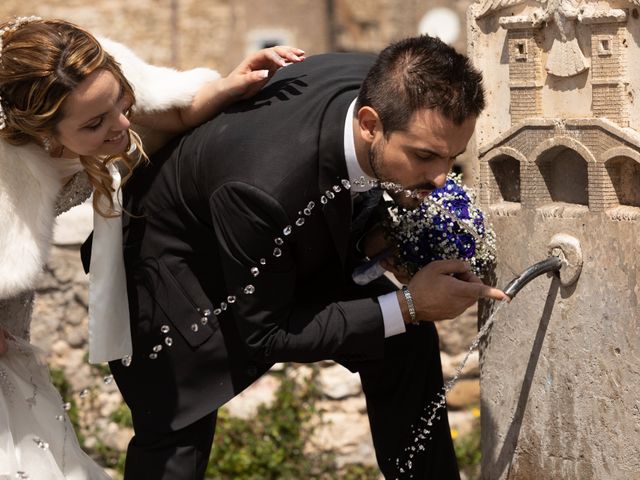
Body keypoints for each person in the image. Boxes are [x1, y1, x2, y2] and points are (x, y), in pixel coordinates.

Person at [91, 34, 509, 479]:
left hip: (282, 234)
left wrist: (379, 235)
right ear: (370, 123)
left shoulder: (387, 87)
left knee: (403, 341)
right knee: (176, 439)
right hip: (177, 280)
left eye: (452, 158)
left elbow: (332, 186)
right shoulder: (262, 185)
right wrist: (409, 303)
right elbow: (266, 334)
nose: (442, 179)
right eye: (425, 156)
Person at [0, 16, 303, 479]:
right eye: (96, 123)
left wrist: (227, 86)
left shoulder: (90, 86)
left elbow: (175, 110)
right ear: (40, 130)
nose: (123, 125)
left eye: (122, 102)